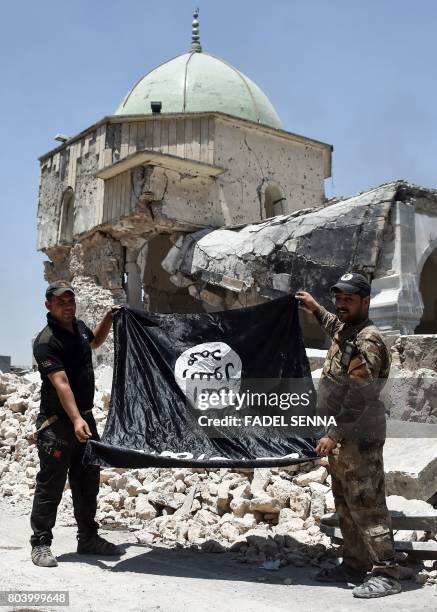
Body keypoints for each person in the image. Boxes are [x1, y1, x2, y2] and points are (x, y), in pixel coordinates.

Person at [295, 272, 401, 599]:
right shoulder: (346, 328)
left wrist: (334, 434)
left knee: (367, 505)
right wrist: (314, 307)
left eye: (348, 299)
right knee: (345, 504)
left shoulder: (368, 340)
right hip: (342, 440)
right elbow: (333, 326)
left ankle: (387, 572)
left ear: (365, 301)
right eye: (338, 298)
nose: (340, 304)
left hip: (359, 438)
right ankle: (354, 563)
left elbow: (360, 396)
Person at [30, 280, 123, 567]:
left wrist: (109, 318)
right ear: (49, 305)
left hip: (84, 418)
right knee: (51, 484)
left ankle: (88, 538)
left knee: (87, 482)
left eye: (71, 301)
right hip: (59, 424)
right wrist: (76, 419)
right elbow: (61, 383)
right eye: (61, 302)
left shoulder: (80, 327)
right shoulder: (46, 342)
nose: (68, 306)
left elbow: (94, 341)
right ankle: (41, 544)